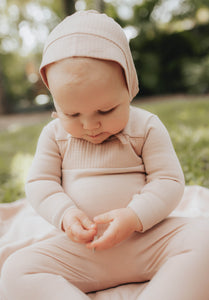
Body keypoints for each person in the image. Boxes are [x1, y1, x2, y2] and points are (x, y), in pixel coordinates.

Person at [1, 10, 209, 300]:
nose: (90, 125)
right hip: (82, 251)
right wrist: (65, 214)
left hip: (147, 240)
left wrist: (134, 216)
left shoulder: (146, 127)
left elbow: (168, 180)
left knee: (205, 239)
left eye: (106, 110)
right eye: (71, 113)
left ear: (129, 87)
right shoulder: (54, 135)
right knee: (15, 270)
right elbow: (40, 183)